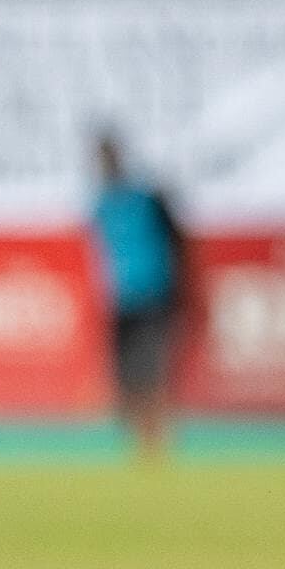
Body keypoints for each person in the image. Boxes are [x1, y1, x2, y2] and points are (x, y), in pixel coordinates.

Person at [86, 130, 190, 462]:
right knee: (126, 373)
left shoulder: (148, 197)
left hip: (155, 292)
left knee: (153, 368)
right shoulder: (100, 204)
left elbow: (177, 241)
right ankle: (138, 444)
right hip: (120, 297)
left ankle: (157, 439)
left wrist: (179, 292)